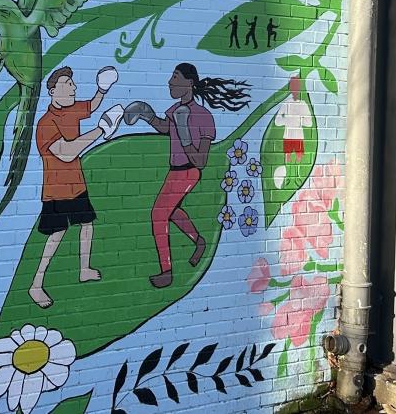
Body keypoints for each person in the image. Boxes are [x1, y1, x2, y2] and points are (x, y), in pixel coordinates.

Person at [126, 63, 250, 288]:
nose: (170, 82)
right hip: (174, 171)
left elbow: (201, 161)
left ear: (189, 82)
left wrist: (184, 136)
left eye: (175, 77)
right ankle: (199, 241)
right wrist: (147, 114)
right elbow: (165, 128)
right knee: (172, 211)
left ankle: (166, 271)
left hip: (188, 172)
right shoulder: (176, 110)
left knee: (159, 214)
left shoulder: (203, 117)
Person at [29, 65, 122, 309]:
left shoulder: (71, 111)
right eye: (67, 84)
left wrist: (102, 89)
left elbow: (91, 106)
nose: (73, 88)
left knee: (87, 224)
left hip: (77, 185)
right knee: (56, 234)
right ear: (53, 91)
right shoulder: (46, 124)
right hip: (56, 190)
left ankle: (84, 269)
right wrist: (101, 130)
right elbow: (67, 152)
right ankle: (36, 285)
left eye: (73, 84)